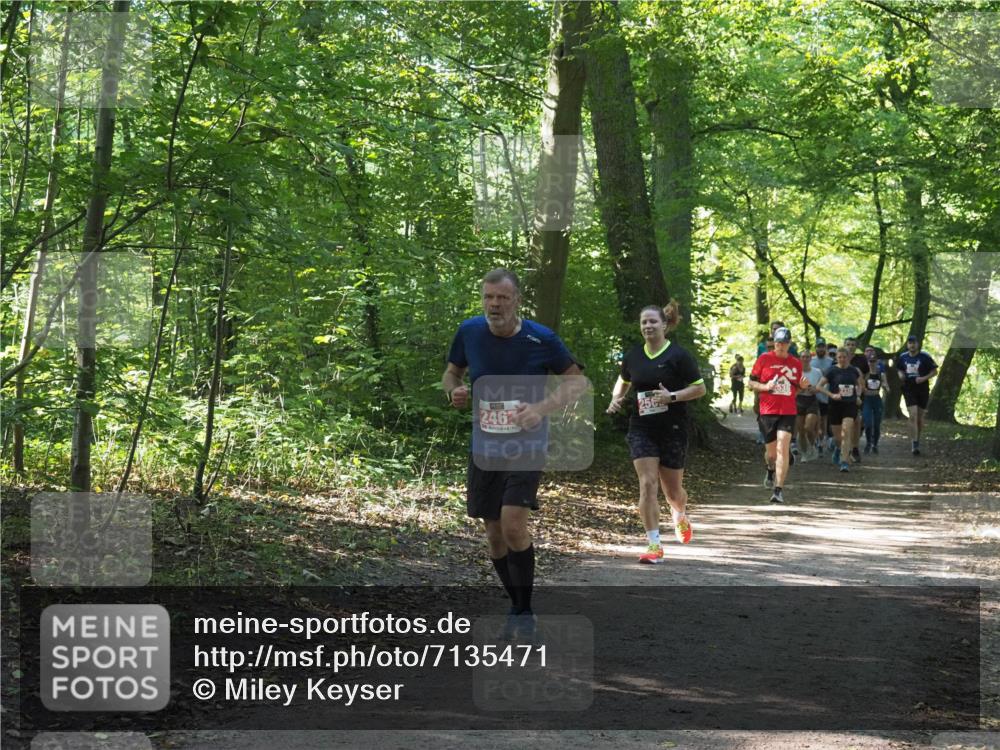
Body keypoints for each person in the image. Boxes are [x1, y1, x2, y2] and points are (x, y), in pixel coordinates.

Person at [443, 268, 585, 638]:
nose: (495, 305)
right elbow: (452, 373)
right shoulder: (469, 331)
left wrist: (540, 409)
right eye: (489, 297)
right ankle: (517, 605)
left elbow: (575, 382)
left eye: (502, 298)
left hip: (527, 443)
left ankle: (523, 613)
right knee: (493, 535)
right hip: (485, 444)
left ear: (516, 300)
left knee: (512, 525)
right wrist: (454, 391)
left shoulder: (541, 338)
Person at [607, 302, 706, 564]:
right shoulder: (633, 356)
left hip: (673, 428)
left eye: (652, 321)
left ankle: (680, 514)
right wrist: (616, 398)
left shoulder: (679, 356)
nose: (648, 326)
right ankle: (654, 545)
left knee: (673, 492)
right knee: (647, 483)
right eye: (644, 323)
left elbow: (699, 388)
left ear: (664, 325)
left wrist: (672, 396)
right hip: (642, 427)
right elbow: (624, 379)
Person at [749, 327, 810, 504]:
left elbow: (796, 387)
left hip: (787, 411)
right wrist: (766, 387)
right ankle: (770, 469)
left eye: (784, 343)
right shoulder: (764, 359)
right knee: (772, 455)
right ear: (774, 343)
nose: (780, 346)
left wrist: (803, 386)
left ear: (789, 344)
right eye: (778, 343)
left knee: (783, 446)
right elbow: (751, 382)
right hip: (767, 411)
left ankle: (778, 490)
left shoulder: (795, 363)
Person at [817, 348, 864, 473]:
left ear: (848, 357)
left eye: (844, 357)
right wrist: (831, 395)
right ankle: (838, 449)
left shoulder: (854, 371)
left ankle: (844, 461)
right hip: (835, 405)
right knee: (838, 438)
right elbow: (819, 386)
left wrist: (858, 395)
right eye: (839, 357)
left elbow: (860, 384)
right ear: (836, 358)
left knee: (846, 431)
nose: (842, 359)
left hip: (850, 405)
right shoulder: (831, 370)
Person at [896, 335, 938, 455]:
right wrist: (900, 375)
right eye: (910, 343)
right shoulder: (903, 357)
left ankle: (917, 439)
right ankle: (914, 443)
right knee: (913, 414)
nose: (912, 345)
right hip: (909, 387)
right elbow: (899, 368)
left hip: (922, 388)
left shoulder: (925, 357)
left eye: (914, 343)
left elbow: (935, 371)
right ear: (907, 345)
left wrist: (924, 378)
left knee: (919, 418)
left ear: (917, 344)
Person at [843, 337, 870, 463]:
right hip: (841, 395)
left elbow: (867, 373)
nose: (850, 346)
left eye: (853, 344)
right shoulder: (839, 358)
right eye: (848, 344)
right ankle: (841, 446)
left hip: (857, 393)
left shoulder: (861, 359)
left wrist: (862, 386)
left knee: (856, 420)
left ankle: (855, 448)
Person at [796, 350, 822, 461]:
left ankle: (812, 445)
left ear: (810, 358)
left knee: (808, 427)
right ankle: (805, 453)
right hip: (799, 401)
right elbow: (791, 388)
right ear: (799, 358)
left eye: (807, 357)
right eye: (803, 357)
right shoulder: (795, 372)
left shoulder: (817, 372)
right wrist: (800, 389)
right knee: (801, 430)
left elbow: (822, 387)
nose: (805, 359)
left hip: (812, 401)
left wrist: (814, 389)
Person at [862, 346, 888, 454]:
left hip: (877, 399)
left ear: (877, 361)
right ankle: (868, 442)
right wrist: (863, 390)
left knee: (877, 423)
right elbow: (860, 384)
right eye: (870, 361)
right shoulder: (865, 374)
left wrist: (886, 387)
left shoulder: (880, 373)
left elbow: (885, 383)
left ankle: (875, 444)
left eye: (873, 361)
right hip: (867, 399)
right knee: (868, 422)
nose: (871, 363)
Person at [810, 338, 834, 455]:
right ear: (815, 348)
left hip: (825, 394)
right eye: (818, 347)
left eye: (822, 347)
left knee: (824, 419)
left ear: (825, 348)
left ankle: (822, 440)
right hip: (812, 395)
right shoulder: (811, 361)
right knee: (814, 419)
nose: (820, 349)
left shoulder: (831, 361)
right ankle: (815, 440)